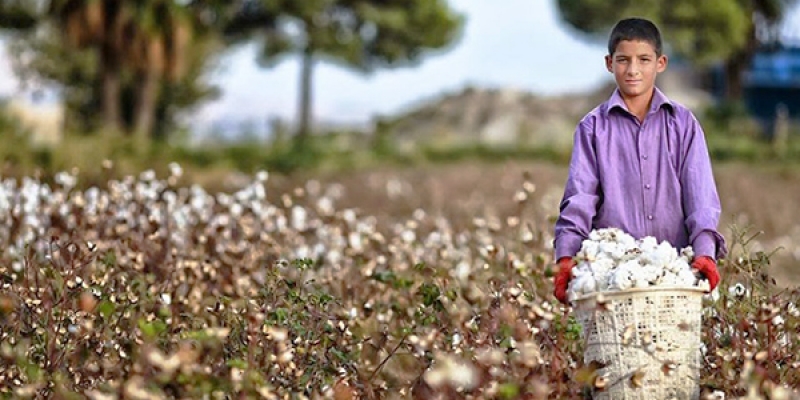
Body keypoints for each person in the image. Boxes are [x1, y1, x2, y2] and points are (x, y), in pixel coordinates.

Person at [552, 17, 727, 304]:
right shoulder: (593, 128)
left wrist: (705, 251)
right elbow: (580, 198)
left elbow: (701, 197)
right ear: (609, 63)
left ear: (660, 63)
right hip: (612, 275)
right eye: (623, 60)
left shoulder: (683, 124)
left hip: (675, 272)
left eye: (644, 59)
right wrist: (566, 257)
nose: (633, 70)